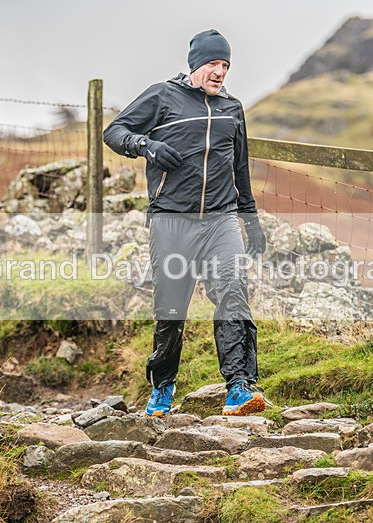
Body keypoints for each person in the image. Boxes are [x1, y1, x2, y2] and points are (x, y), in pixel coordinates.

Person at [103, 29, 269, 417]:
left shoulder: (232, 109)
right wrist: (147, 146)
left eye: (225, 65)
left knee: (233, 292)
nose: (220, 72)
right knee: (171, 309)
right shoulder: (163, 96)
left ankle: (239, 387)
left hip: (220, 220)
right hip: (172, 221)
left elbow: (240, 168)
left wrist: (251, 221)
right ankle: (162, 386)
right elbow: (115, 131)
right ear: (196, 65)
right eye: (213, 63)